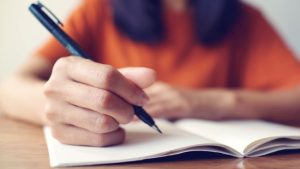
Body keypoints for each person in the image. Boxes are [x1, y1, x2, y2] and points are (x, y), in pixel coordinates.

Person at [1, 0, 300, 147]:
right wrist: (62, 106)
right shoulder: (99, 10)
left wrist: (212, 102)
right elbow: (8, 90)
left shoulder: (245, 19)